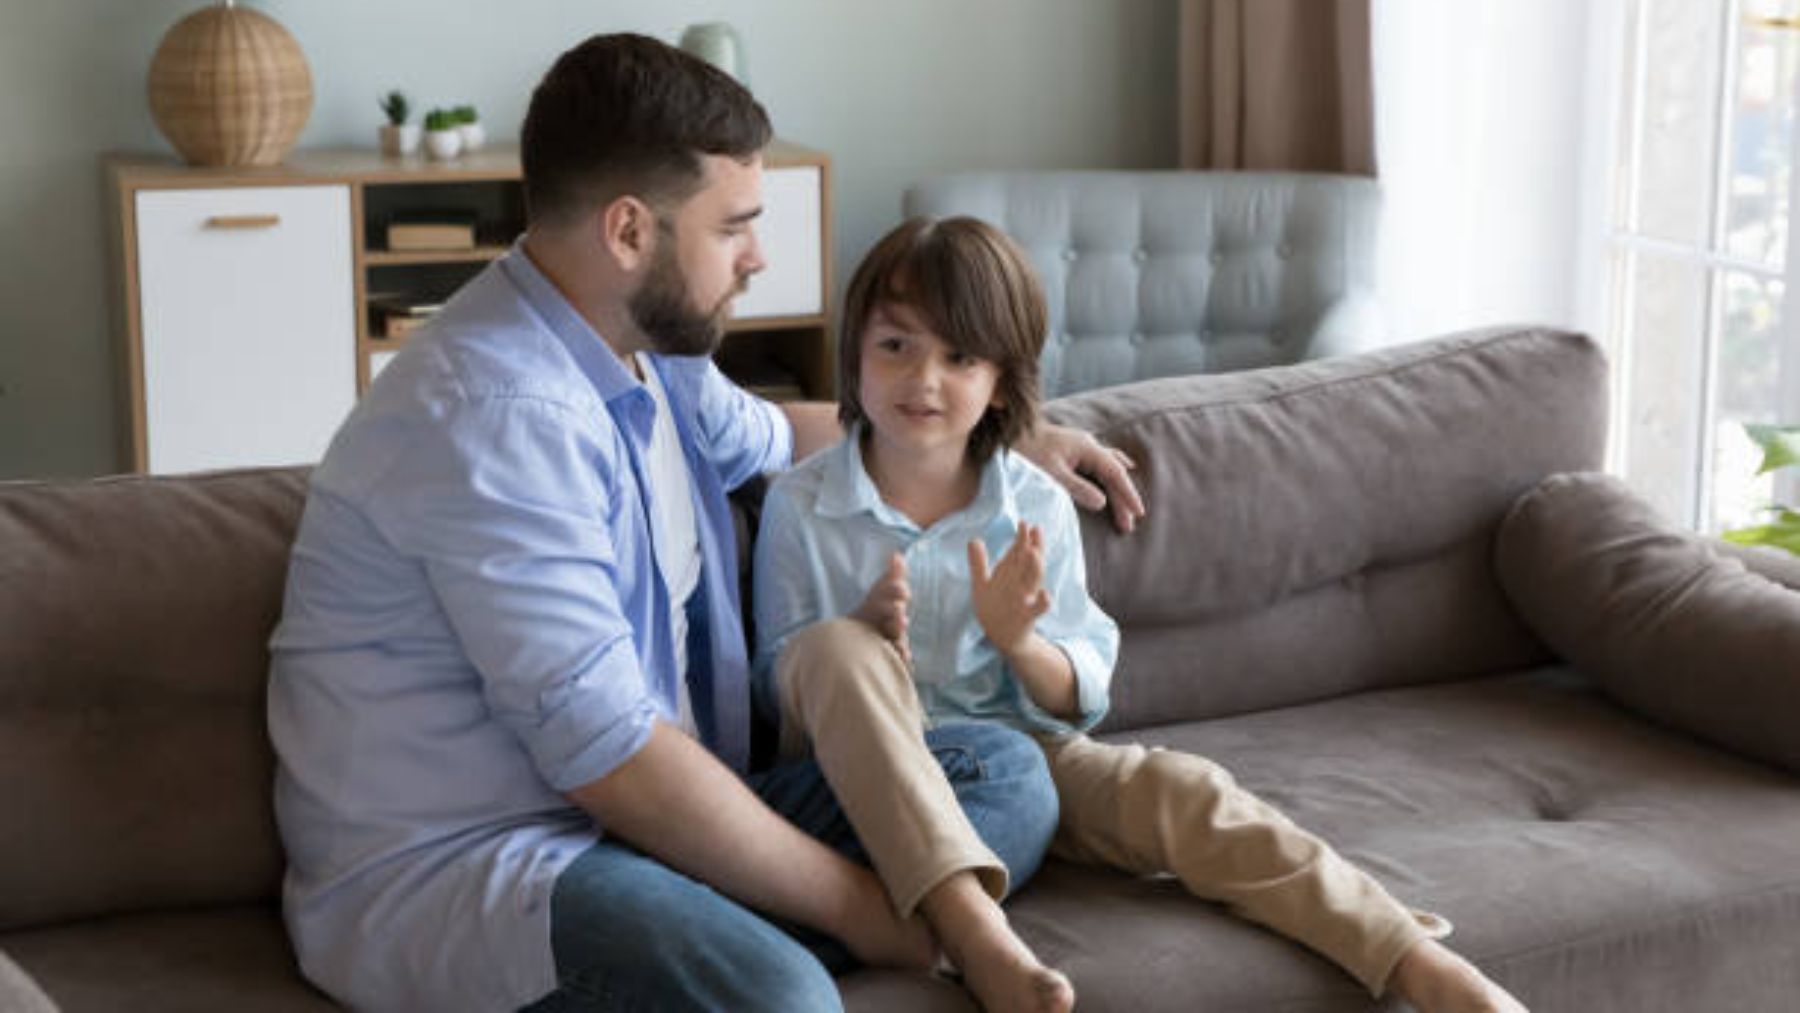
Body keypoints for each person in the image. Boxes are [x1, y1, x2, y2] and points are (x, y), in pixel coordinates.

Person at [266, 34, 1143, 1013]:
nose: (759, 256)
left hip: (644, 820)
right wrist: (867, 911)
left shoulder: (651, 350)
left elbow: (789, 434)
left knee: (1005, 774)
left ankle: (716, 927)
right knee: (784, 996)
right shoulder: (492, 419)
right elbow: (613, 755)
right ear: (631, 232)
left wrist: (1009, 441)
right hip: (481, 867)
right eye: (736, 227)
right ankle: (774, 938)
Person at [752, 215, 1531, 1013]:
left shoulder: (1035, 504)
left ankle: (1415, 960)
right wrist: (864, 630)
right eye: (896, 345)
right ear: (854, 352)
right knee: (833, 648)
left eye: (959, 356)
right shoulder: (800, 505)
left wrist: (1020, 642)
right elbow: (778, 694)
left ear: (1000, 380)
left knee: (1183, 790)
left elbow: (1082, 694)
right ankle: (979, 937)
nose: (924, 378)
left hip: (1027, 754)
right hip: (867, 772)